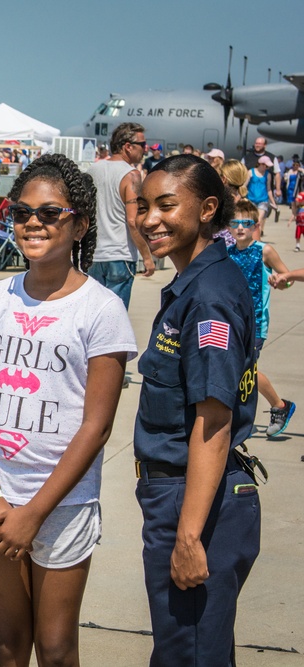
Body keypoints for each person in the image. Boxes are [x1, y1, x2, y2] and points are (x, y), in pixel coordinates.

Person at [0, 153, 137, 666]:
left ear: (80, 223)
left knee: (56, 649)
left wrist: (34, 514)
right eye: (21, 212)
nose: (33, 222)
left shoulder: (101, 309)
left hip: (62, 505)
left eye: (50, 212)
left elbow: (97, 426)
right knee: (8, 646)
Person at [133, 154, 260, 666]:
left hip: (196, 503)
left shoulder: (207, 296)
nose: (149, 220)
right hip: (184, 495)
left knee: (188, 656)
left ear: (208, 209)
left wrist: (187, 536)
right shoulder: (195, 283)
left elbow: (214, 422)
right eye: (143, 207)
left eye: (167, 205)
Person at [226, 200, 295, 437]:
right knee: (234, 368)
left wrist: (280, 281)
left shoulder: (263, 250)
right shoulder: (227, 253)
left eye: (246, 223)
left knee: (246, 370)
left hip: (255, 323)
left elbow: (287, 279)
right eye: (235, 223)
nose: (240, 228)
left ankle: (279, 405)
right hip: (230, 320)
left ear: (256, 225)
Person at [87, 122, 155, 309]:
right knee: (115, 317)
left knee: (94, 314)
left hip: (95, 254)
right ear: (128, 146)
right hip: (120, 253)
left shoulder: (93, 170)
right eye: (142, 144)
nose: (145, 149)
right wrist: (146, 256)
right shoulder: (131, 175)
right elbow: (133, 221)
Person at [246, 155, 276, 239]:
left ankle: (257, 239)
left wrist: (273, 203)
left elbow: (269, 189)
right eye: (266, 166)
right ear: (260, 164)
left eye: (268, 166)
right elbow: (245, 186)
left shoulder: (268, 175)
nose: (266, 168)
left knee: (258, 220)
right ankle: (251, 237)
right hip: (251, 199)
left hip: (263, 200)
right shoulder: (250, 172)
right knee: (251, 219)